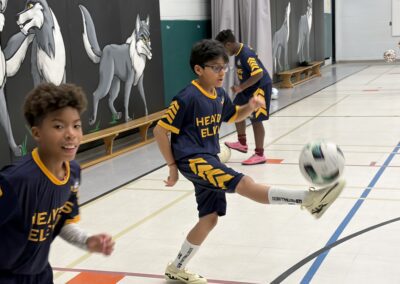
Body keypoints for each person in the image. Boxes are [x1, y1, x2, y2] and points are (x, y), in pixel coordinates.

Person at [153, 39, 345, 284]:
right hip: (193, 161)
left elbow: (233, 116)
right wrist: (172, 168)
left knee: (209, 218)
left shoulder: (219, 95)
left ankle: (176, 267)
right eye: (215, 68)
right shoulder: (187, 98)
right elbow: (160, 131)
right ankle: (309, 199)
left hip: (208, 158)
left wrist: (251, 106)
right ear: (199, 69)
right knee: (244, 183)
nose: (222, 72)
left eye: (224, 67)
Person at [0, 83, 115, 283]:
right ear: (37, 133)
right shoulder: (16, 181)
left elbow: (60, 222)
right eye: (59, 126)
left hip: (40, 274)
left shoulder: (73, 173)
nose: (71, 134)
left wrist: (87, 241)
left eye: (76, 125)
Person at [216, 29, 272, 165]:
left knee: (256, 120)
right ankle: (242, 143)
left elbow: (258, 74)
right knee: (237, 110)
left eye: (223, 48)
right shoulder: (239, 51)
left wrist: (240, 87)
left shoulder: (245, 54)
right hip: (249, 88)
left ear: (228, 44)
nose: (224, 52)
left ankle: (260, 154)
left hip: (260, 87)